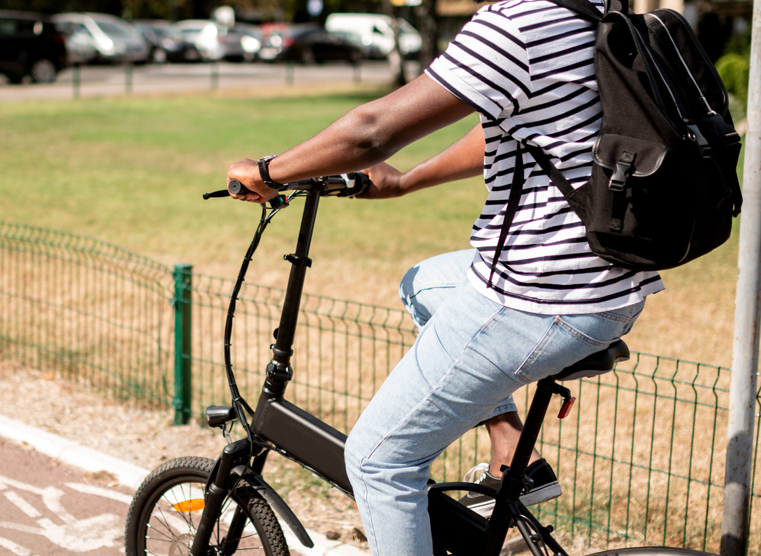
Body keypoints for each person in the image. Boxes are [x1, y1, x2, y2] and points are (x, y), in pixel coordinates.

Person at [224, 0, 662, 553]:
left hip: (536, 294)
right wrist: (406, 182)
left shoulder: (517, 21)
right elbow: (516, 132)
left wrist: (267, 172)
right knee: (425, 283)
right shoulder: (595, 10)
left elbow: (371, 131)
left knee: (379, 460)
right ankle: (513, 457)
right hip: (609, 282)